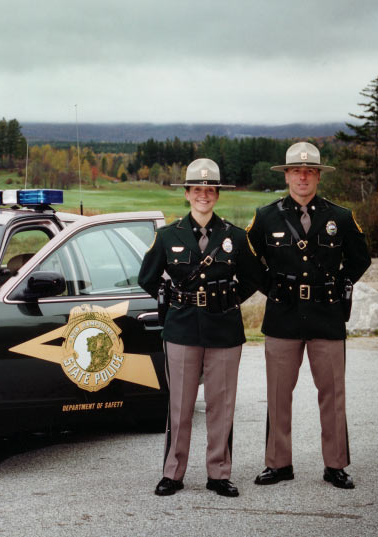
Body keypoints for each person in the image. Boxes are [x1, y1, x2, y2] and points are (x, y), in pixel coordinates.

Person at [247, 142, 371, 489]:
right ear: (286, 174)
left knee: (332, 394)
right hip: (283, 314)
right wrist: (270, 286)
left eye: (310, 171)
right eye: (296, 170)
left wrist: (340, 284)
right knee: (278, 393)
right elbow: (247, 258)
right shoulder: (266, 215)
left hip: (326, 314)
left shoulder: (340, 217)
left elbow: (361, 258)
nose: (303, 176)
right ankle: (278, 463)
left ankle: (335, 465)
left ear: (318, 176)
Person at [139, 158, 262, 497]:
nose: (203, 196)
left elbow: (255, 277)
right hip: (181, 329)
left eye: (210, 190)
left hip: (224, 330)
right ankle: (173, 473)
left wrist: (230, 297)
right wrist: (174, 298)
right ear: (187, 194)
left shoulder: (235, 237)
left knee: (221, 405)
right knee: (180, 406)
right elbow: (147, 277)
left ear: (217, 195)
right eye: (197, 190)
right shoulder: (168, 236)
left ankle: (219, 474)